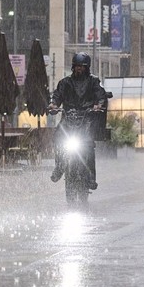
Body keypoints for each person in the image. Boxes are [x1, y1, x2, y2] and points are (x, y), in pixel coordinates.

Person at [47, 52, 107, 189]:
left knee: (88, 146)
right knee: (58, 138)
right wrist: (53, 104)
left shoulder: (93, 82)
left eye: (82, 66)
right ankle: (59, 166)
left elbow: (100, 95)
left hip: (86, 121)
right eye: (77, 66)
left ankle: (91, 176)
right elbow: (57, 96)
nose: (79, 69)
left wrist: (98, 105)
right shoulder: (65, 82)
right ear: (73, 67)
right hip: (68, 120)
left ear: (87, 68)